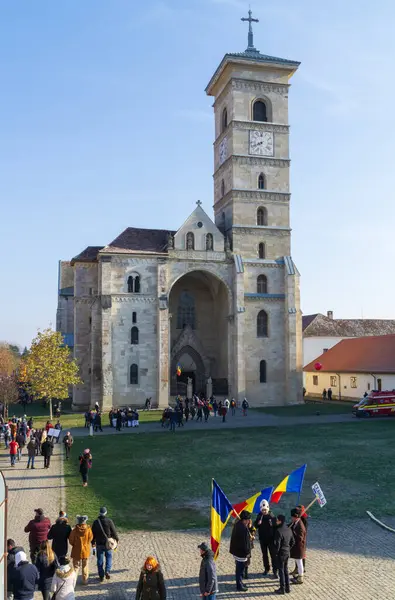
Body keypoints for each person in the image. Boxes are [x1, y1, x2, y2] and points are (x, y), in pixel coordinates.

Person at [91, 506, 119, 582]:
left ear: (99, 513)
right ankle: (107, 571)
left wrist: (93, 543)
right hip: (108, 544)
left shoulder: (96, 522)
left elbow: (92, 535)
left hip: (99, 544)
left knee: (100, 560)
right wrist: (116, 541)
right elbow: (114, 532)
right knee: (109, 558)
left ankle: (101, 576)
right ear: (106, 513)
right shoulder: (109, 521)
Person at [229, 510, 252, 592]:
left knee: (239, 569)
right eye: (248, 519)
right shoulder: (243, 529)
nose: (249, 521)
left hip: (236, 551)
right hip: (241, 553)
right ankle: (239, 585)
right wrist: (248, 552)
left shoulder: (238, 525)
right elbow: (245, 544)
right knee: (240, 570)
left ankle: (240, 582)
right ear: (245, 520)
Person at [254, 499, 277, 577]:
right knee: (264, 555)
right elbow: (255, 525)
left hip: (271, 539)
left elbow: (276, 527)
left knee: (273, 555)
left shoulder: (271, 516)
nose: (264, 511)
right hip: (263, 539)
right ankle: (266, 568)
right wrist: (258, 523)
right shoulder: (260, 516)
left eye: (265, 510)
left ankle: (275, 570)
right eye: (263, 510)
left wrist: (272, 525)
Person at [68, 515, 93, 585]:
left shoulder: (74, 531)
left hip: (76, 551)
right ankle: (85, 580)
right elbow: (90, 538)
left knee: (76, 567)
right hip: (86, 551)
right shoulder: (88, 530)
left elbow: (71, 540)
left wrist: (75, 545)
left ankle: (74, 581)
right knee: (85, 566)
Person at [273, 514, 294, 595]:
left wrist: (275, 553)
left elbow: (277, 545)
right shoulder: (289, 529)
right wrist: (288, 549)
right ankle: (288, 588)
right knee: (286, 570)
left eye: (277, 520)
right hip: (287, 553)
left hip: (281, 554)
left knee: (281, 571)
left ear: (280, 521)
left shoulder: (278, 531)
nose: (276, 521)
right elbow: (293, 542)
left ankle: (282, 588)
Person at [289, 508, 306, 585]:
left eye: (292, 517)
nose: (291, 518)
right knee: (297, 561)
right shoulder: (296, 522)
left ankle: (300, 577)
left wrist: (292, 533)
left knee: (299, 562)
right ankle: (299, 575)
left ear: (296, 517)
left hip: (299, 547)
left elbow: (300, 538)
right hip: (296, 547)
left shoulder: (300, 526)